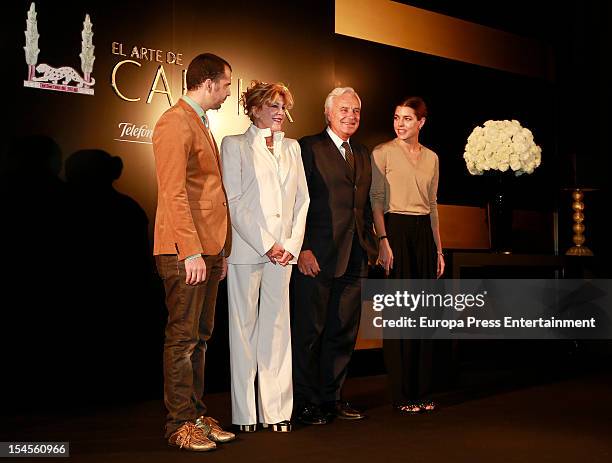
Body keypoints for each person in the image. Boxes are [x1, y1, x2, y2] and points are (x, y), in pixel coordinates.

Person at [152, 53, 235, 451]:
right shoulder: (173, 122)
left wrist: (218, 251)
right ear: (208, 83)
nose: (227, 93)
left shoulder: (200, 122)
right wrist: (190, 252)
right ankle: (179, 424)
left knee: (200, 338)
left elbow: (208, 193)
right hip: (185, 249)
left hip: (208, 248)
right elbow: (172, 193)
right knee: (183, 339)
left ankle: (196, 416)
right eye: (225, 85)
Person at [221, 81, 310, 433]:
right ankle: (245, 414)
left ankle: (277, 412)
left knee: (276, 331)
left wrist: (290, 243)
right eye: (273, 105)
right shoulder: (234, 144)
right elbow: (235, 201)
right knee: (243, 332)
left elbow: (302, 200)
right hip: (248, 250)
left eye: (283, 106)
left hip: (283, 253)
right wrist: (266, 243)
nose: (280, 112)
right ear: (255, 108)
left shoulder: (293, 148)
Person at [291, 87, 378, 425]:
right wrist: (303, 248)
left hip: (355, 256)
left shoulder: (363, 153)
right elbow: (296, 201)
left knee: (342, 333)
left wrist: (372, 244)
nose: (350, 116)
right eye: (343, 109)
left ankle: (332, 398)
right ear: (327, 112)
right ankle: (306, 402)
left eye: (356, 110)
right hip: (317, 255)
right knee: (309, 333)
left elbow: (365, 203)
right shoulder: (307, 147)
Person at [369, 96, 445, 414]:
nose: (400, 123)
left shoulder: (432, 158)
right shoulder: (382, 153)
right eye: (397, 117)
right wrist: (383, 240)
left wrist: (439, 250)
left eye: (407, 118)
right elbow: (375, 199)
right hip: (395, 230)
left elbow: (433, 204)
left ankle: (422, 391)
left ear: (421, 123)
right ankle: (401, 394)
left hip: (423, 236)